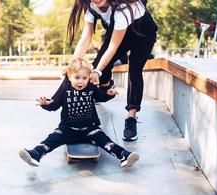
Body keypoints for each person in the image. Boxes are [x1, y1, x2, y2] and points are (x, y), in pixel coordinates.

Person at [19, 58, 139, 167]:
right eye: (77, 78)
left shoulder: (91, 86)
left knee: (106, 142)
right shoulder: (65, 88)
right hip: (68, 129)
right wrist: (45, 104)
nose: (81, 82)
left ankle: (124, 155)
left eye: (84, 78)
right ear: (69, 76)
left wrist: (108, 94)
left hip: (90, 129)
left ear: (89, 77)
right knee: (51, 139)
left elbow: (100, 96)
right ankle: (36, 154)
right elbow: (54, 104)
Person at [67, 0, 158, 141]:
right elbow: (85, 39)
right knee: (98, 64)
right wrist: (72, 66)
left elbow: (113, 47)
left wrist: (97, 71)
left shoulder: (123, 8)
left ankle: (131, 117)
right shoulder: (92, 7)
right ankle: (107, 84)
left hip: (143, 35)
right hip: (120, 33)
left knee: (134, 70)